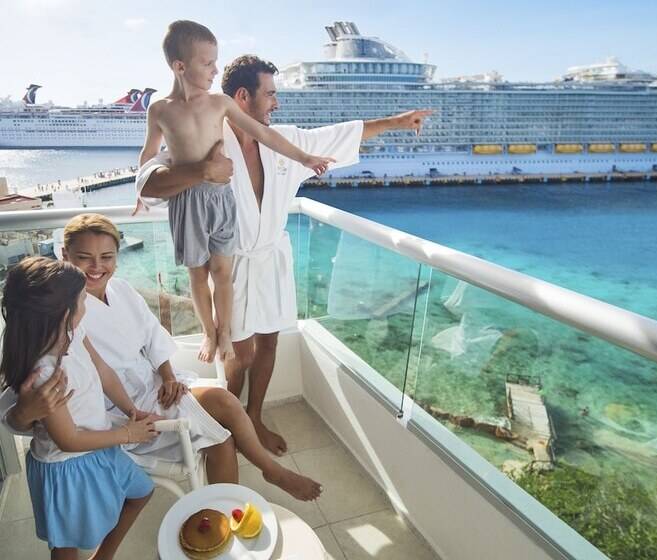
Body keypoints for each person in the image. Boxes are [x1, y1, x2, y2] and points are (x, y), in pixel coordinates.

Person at [138, 54, 432, 454]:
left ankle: (254, 417)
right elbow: (148, 182)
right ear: (243, 97)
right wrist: (202, 172)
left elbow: (339, 135)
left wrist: (396, 122)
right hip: (232, 264)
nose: (277, 103)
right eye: (271, 94)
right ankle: (229, 424)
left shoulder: (282, 141)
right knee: (239, 354)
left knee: (269, 343)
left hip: (272, 259)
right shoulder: (203, 139)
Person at [2, 214, 322, 501]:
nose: (97, 267)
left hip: (154, 387)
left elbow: (153, 335)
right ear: (64, 255)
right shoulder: (57, 316)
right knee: (222, 437)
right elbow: (20, 407)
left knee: (225, 404)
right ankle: (259, 481)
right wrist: (24, 412)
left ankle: (240, 498)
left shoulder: (122, 290)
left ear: (117, 258)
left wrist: (168, 376)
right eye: (84, 258)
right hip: (118, 414)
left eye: (107, 257)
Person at [139, 20, 335, 363]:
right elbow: (148, 156)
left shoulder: (220, 103)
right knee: (197, 274)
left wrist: (305, 158)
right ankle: (209, 332)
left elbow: (266, 135)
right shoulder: (159, 110)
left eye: (216, 62)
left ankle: (225, 332)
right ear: (180, 66)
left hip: (220, 197)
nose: (215, 70)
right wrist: (139, 194)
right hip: (186, 201)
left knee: (222, 272)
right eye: (207, 63)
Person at [0, 257, 156, 559]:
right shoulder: (46, 374)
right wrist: (128, 434)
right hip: (68, 468)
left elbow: (104, 372)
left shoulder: (74, 333)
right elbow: (68, 440)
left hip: (99, 448)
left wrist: (131, 409)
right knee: (66, 543)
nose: (87, 303)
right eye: (83, 299)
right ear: (64, 313)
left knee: (141, 492)